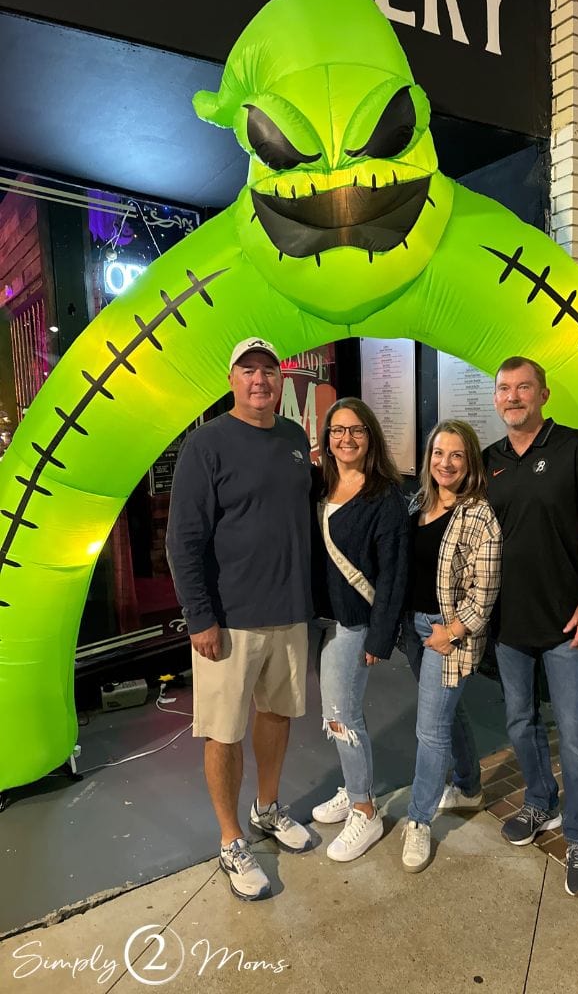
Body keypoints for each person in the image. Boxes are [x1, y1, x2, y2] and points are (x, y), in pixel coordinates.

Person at [166, 336, 313, 902]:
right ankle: (231, 839)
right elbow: (183, 540)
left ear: (281, 381)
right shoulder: (207, 446)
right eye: (247, 370)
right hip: (229, 622)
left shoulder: (296, 439)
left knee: (277, 715)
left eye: (268, 371)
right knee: (223, 731)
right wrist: (199, 617)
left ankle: (268, 808)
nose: (259, 380)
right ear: (231, 379)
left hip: (290, 612)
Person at [484, 356, 578, 900]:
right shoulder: (488, 460)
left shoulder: (577, 448)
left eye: (522, 388)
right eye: (504, 389)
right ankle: (541, 799)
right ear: (495, 399)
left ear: (544, 394)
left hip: (567, 620)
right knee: (519, 722)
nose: (512, 397)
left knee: (577, 736)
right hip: (508, 623)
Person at [400, 420, 502, 873]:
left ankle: (418, 821)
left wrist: (454, 631)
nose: (446, 463)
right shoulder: (419, 503)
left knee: (430, 729)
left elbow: (485, 590)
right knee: (447, 713)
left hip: (448, 634)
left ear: (470, 461)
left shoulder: (479, 514)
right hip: (416, 629)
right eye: (439, 453)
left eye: (456, 455)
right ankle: (468, 787)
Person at [310, 398, 409, 862]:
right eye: (337, 431)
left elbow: (394, 571)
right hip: (322, 620)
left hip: (356, 623)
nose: (346, 439)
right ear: (327, 438)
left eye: (356, 431)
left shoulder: (384, 494)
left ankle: (366, 811)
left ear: (371, 437)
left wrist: (380, 634)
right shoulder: (321, 484)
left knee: (342, 716)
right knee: (337, 714)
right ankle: (354, 790)